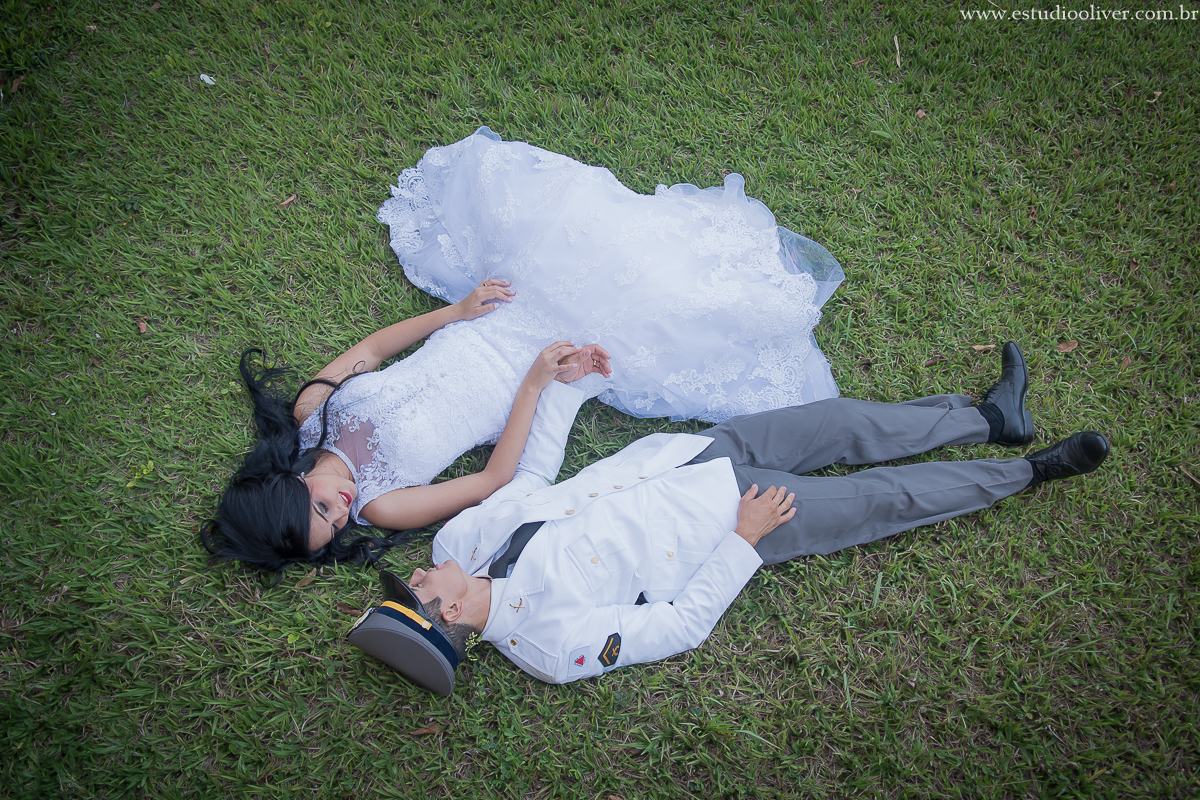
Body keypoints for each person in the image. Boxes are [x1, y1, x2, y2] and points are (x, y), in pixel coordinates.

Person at [205, 126, 846, 572]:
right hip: (524, 372)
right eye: (334, 527)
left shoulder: (312, 415)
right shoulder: (385, 505)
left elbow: (372, 350)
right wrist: (537, 385)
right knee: (662, 294)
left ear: (290, 482)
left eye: (321, 505)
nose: (342, 511)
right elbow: (492, 478)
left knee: (583, 225)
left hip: (487, 320)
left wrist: (455, 310)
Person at [347, 342, 1110, 692]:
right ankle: (1029, 470)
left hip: (691, 457)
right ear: (442, 610)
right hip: (737, 519)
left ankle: (989, 420)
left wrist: (566, 387)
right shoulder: (548, 646)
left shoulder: (460, 538)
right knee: (884, 500)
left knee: (843, 422)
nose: (417, 566)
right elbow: (677, 627)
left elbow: (540, 477)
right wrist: (745, 543)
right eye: (414, 585)